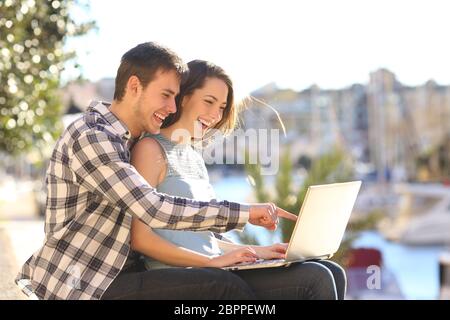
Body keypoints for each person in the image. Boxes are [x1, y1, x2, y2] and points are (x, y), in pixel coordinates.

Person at [15, 42, 297, 300]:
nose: (172, 107)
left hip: (119, 274)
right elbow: (152, 208)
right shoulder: (92, 137)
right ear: (134, 86)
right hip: (85, 284)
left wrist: (251, 253)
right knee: (222, 286)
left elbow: (181, 231)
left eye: (176, 96)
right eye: (166, 95)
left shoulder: (128, 140)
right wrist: (245, 213)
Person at [109, 60, 347, 300]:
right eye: (209, 101)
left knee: (332, 271)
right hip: (184, 276)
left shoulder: (193, 156)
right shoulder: (150, 149)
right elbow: (141, 238)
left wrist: (260, 252)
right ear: (183, 97)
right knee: (316, 278)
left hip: (214, 266)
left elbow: (205, 238)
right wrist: (212, 262)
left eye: (222, 106)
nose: (215, 115)